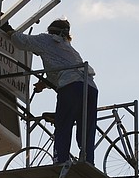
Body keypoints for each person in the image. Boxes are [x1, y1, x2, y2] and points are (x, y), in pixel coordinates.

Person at [7, 18, 98, 165]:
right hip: (90, 86)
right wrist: (44, 84)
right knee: (86, 126)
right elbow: (59, 70)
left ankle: (61, 160)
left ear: (50, 30)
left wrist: (7, 29)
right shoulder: (69, 49)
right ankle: (88, 161)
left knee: (63, 124)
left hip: (71, 86)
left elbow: (21, 41)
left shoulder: (46, 39)